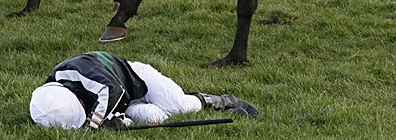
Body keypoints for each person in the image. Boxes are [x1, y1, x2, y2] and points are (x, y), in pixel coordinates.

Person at [29, 51, 259, 130]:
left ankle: (222, 101)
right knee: (156, 117)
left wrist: (92, 125)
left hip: (138, 78)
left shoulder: (77, 70)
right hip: (126, 103)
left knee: (180, 107)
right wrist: (114, 121)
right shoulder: (50, 100)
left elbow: (112, 90)